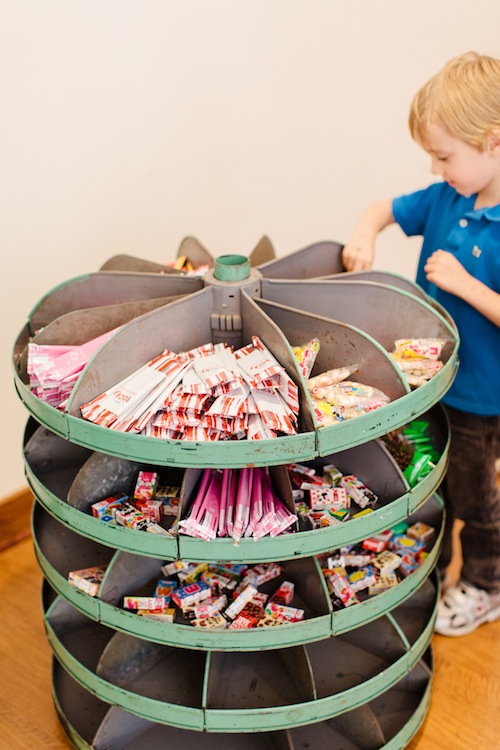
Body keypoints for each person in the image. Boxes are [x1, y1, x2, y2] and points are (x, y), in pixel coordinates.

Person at [342, 51, 500, 636]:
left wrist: (464, 283)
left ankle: (486, 584)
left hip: (482, 399)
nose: (437, 170)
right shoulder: (446, 199)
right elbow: (384, 208)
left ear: (493, 144)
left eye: (444, 157)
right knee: (435, 485)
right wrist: (365, 232)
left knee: (477, 499)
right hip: (429, 386)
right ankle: (431, 569)